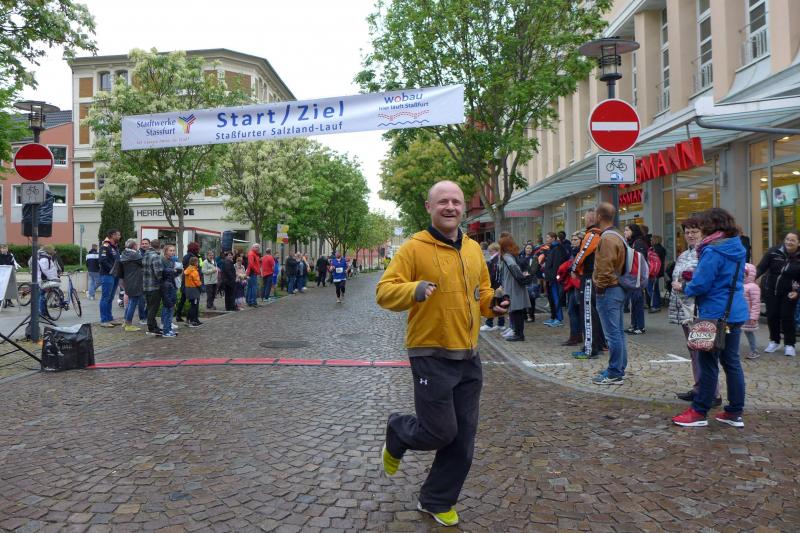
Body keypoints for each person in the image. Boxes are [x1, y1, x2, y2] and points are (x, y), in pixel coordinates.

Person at [376, 180, 509, 527]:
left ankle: (435, 499)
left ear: (463, 207)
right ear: (429, 207)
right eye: (442, 202)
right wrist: (414, 289)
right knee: (440, 432)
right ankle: (398, 431)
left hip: (468, 355)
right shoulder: (413, 248)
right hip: (430, 353)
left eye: (456, 202)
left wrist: (493, 304)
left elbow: (482, 291)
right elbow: (384, 291)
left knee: (463, 440)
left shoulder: (473, 249)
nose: (450, 207)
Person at [671, 208, 747, 428]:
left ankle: (699, 411)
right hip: (734, 311)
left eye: (703, 225)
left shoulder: (712, 250)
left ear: (711, 226)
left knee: (707, 362)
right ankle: (734, 412)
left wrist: (684, 286)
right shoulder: (736, 246)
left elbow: (701, 284)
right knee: (731, 362)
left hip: (713, 313)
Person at [668, 217, 721, 405]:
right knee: (694, 352)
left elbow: (705, 281)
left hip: (698, 309)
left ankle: (712, 393)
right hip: (685, 311)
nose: (690, 235)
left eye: (694, 231)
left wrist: (683, 286)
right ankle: (699, 388)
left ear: (702, 232)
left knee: (703, 353)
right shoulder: (684, 254)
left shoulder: (705, 253)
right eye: (687, 232)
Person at [591, 203, 629, 385]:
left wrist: (599, 288)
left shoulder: (607, 238)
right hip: (618, 287)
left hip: (609, 290)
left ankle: (614, 372)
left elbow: (605, 268)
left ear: (599, 216)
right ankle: (619, 368)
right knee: (618, 332)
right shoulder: (618, 235)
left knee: (612, 334)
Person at [756, 230, 800, 356]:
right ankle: (774, 341)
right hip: (771, 289)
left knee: (787, 317)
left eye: (792, 240)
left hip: (790, 292)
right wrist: (750, 278)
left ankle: (789, 344)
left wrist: (798, 292)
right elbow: (761, 268)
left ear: (798, 243)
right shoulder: (774, 252)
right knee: (772, 316)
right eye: (787, 239)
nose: (789, 242)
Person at [571, 209, 605, 360]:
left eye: (585, 218)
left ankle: (590, 349)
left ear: (590, 219)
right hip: (595, 276)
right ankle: (597, 345)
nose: (584, 220)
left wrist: (573, 268)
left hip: (589, 277)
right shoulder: (600, 234)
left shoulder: (592, 235)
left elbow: (582, 254)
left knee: (588, 314)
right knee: (593, 313)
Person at [499, 234, 530, 341]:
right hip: (516, 286)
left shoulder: (507, 256)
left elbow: (513, 266)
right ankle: (518, 333)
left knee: (516, 310)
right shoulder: (512, 255)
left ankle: (518, 334)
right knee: (518, 311)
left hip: (513, 286)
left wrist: (520, 276)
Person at [560, 232, 584, 346]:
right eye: (572, 239)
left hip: (578, 284)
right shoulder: (573, 252)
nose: (573, 242)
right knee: (573, 311)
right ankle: (576, 335)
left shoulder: (582, 252)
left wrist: (570, 268)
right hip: (571, 284)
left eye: (576, 240)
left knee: (576, 311)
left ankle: (576, 336)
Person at [624, 223, 648, 334]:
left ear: (633, 231)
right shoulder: (632, 242)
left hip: (637, 278)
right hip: (634, 278)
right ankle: (634, 325)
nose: (625, 232)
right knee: (633, 303)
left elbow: (639, 261)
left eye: (627, 230)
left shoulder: (638, 243)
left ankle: (640, 326)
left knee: (637, 303)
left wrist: (638, 279)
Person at [480, 243, 507, 332]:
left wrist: (489, 284)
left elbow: (493, 275)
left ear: (495, 251)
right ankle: (500, 324)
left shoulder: (495, 260)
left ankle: (489, 324)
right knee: (499, 304)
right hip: (497, 285)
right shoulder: (497, 259)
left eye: (491, 251)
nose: (489, 252)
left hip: (494, 285)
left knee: (492, 304)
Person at [543, 232, 567, 327]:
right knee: (552, 298)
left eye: (548, 237)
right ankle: (554, 317)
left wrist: (553, 278)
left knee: (556, 298)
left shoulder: (557, 248)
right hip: (550, 278)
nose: (546, 239)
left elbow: (556, 265)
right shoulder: (552, 248)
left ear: (553, 238)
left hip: (554, 279)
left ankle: (559, 318)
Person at [119, 239, 144, 332]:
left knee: (130, 301)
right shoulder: (135, 255)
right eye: (136, 245)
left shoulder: (124, 253)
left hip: (127, 280)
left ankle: (125, 321)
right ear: (134, 246)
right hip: (135, 280)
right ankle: (129, 324)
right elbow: (144, 263)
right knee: (133, 302)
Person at [98, 229, 122, 328]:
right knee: (105, 298)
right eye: (118, 235)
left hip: (114, 275)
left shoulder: (114, 246)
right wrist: (112, 270)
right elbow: (102, 260)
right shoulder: (105, 246)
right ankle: (104, 320)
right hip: (107, 275)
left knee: (110, 298)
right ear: (112, 235)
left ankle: (109, 318)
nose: (120, 237)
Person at [142, 239, 164, 336]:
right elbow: (158, 272)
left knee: (150, 306)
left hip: (146, 285)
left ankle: (154, 326)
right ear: (159, 246)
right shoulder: (155, 256)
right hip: (154, 286)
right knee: (153, 308)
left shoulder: (145, 255)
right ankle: (151, 327)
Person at [175, 242, 200, 322]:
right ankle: (192, 318)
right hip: (191, 282)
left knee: (183, 299)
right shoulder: (193, 257)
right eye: (198, 248)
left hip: (185, 280)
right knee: (194, 301)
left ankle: (178, 315)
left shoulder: (186, 256)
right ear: (195, 249)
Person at [159, 245, 180, 338]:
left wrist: (178, 271)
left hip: (172, 284)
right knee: (167, 306)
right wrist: (172, 271)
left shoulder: (172, 260)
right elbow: (162, 273)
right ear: (165, 251)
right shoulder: (162, 260)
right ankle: (165, 328)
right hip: (166, 286)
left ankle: (168, 327)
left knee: (171, 306)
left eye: (173, 250)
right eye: (170, 250)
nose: (172, 252)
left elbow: (174, 274)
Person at [35, 245, 60, 318]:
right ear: (49, 251)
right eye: (53, 250)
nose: (54, 251)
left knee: (43, 296)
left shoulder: (45, 257)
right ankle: (42, 313)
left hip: (44, 279)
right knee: (42, 296)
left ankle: (43, 313)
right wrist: (53, 278)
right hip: (44, 280)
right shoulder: (44, 259)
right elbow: (45, 270)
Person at [742, 263, 762, 359]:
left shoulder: (753, 287)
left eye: (744, 274)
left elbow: (756, 303)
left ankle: (754, 350)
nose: (742, 276)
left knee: (749, 332)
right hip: (739, 314)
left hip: (748, 315)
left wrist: (754, 317)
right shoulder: (738, 285)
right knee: (734, 332)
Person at [521, 243, 541, 323]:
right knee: (523, 299)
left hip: (531, 280)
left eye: (530, 248)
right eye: (527, 248)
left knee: (531, 299)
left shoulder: (534, 258)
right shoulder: (521, 257)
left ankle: (531, 316)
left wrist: (526, 273)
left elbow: (534, 270)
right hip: (523, 280)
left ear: (532, 250)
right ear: (524, 249)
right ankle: (524, 316)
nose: (528, 250)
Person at [648, 235, 667, 312]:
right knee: (656, 289)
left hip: (653, 271)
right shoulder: (662, 249)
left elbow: (652, 261)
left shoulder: (654, 249)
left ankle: (655, 305)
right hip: (658, 271)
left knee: (652, 289)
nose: (650, 241)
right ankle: (657, 304)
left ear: (655, 240)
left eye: (651, 240)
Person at [184, 256, 202, 327]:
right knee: (194, 306)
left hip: (188, 289)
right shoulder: (194, 271)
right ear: (195, 263)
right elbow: (197, 282)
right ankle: (192, 321)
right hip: (194, 290)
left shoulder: (188, 269)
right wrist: (201, 287)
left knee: (192, 305)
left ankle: (190, 320)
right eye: (197, 262)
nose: (198, 263)